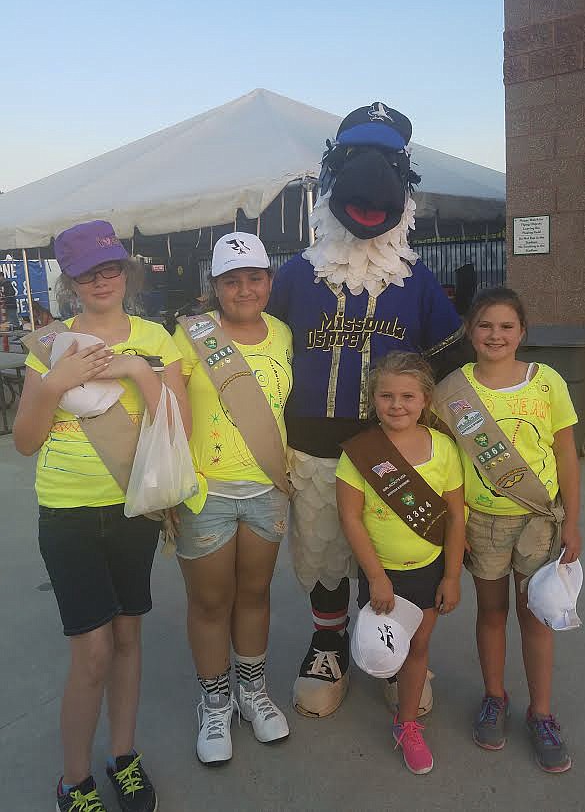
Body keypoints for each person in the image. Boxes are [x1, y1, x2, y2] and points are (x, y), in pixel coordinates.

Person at [266, 102, 466, 719]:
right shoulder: (294, 276)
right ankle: (329, 644)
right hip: (317, 447)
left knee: (395, 559)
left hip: (398, 453)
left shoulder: (417, 281)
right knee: (327, 555)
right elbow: (260, 359)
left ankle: (391, 646)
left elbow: (454, 375)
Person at [13, 220, 189, 812]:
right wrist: (53, 383)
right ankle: (72, 779)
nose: (104, 279)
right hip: (66, 512)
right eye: (89, 271)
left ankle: (123, 756)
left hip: (133, 504)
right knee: (91, 652)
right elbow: (27, 442)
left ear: (126, 270)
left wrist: (139, 370)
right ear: (70, 280)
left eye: (111, 267)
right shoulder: (48, 344)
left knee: (129, 636)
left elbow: (180, 428)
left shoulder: (156, 338)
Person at [172, 232, 293, 766]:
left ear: (269, 281)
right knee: (209, 602)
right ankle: (214, 701)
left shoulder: (284, 334)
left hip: (267, 489)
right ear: (215, 287)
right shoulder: (190, 337)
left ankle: (251, 690)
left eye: (254, 278)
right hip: (207, 493)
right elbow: (170, 414)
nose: (244, 289)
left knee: (256, 593)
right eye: (231, 280)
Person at [456, 287, 581, 773]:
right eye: (485, 325)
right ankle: (494, 696)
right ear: (470, 331)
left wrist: (573, 520)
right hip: (481, 521)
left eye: (507, 327)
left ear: (522, 333)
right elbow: (447, 463)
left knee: (536, 617)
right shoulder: (456, 390)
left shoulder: (546, 381)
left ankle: (542, 712)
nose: (496, 335)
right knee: (491, 612)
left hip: (538, 520)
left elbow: (567, 455)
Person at [336, 352, 465, 775]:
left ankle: (406, 723)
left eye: (408, 396)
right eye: (386, 395)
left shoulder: (444, 449)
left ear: (425, 399)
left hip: (428, 567)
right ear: (373, 399)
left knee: (420, 646)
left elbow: (455, 516)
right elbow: (350, 517)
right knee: (383, 645)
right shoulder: (361, 452)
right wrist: (375, 577)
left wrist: (451, 576)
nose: (397, 405)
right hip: (382, 572)